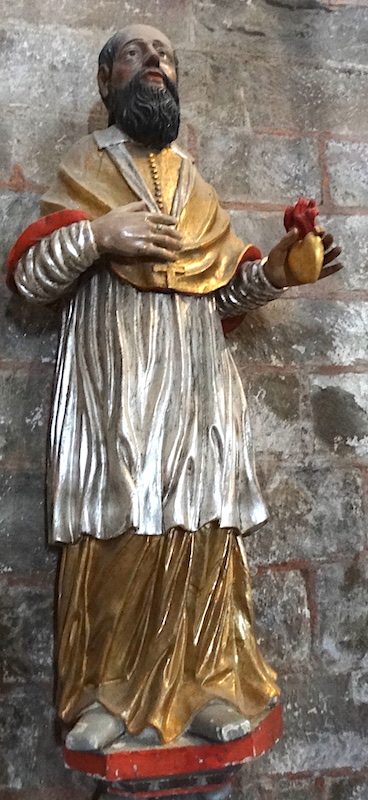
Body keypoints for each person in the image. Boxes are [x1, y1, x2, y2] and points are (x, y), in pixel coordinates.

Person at [8, 24, 342, 752]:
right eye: (137, 53)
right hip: (115, 386)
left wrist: (278, 273)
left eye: (166, 56)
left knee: (201, 530)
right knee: (117, 526)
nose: (156, 62)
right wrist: (99, 237)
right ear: (107, 82)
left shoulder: (195, 187)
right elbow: (30, 281)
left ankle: (208, 683)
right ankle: (107, 697)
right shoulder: (81, 170)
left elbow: (220, 295)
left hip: (194, 390)